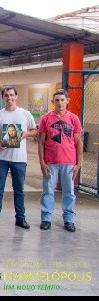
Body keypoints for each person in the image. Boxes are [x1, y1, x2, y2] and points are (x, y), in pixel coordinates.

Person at [0, 86, 38, 229]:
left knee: (19, 190)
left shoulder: (25, 114)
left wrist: (22, 134)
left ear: (16, 97)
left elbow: (34, 131)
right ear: (2, 98)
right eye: (6, 96)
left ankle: (20, 218)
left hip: (19, 159)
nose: (9, 98)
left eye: (11, 95)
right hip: (1, 158)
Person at [38, 89, 83, 232]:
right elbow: (41, 142)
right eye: (57, 100)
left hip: (69, 162)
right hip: (50, 162)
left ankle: (69, 219)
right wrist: (42, 162)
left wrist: (79, 163)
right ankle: (46, 218)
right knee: (48, 191)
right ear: (53, 102)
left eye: (62, 100)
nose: (60, 103)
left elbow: (79, 143)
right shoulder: (46, 119)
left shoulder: (74, 119)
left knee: (69, 192)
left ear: (67, 101)